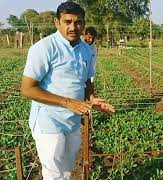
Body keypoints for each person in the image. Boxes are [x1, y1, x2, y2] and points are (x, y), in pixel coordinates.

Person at [20, 2, 115, 179]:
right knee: (54, 174)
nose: (73, 27)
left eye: (78, 22)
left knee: (66, 171)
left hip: (72, 122)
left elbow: (86, 81)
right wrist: (67, 102)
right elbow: (27, 89)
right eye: (67, 22)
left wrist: (92, 98)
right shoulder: (44, 48)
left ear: (84, 23)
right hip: (48, 122)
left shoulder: (86, 50)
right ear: (57, 23)